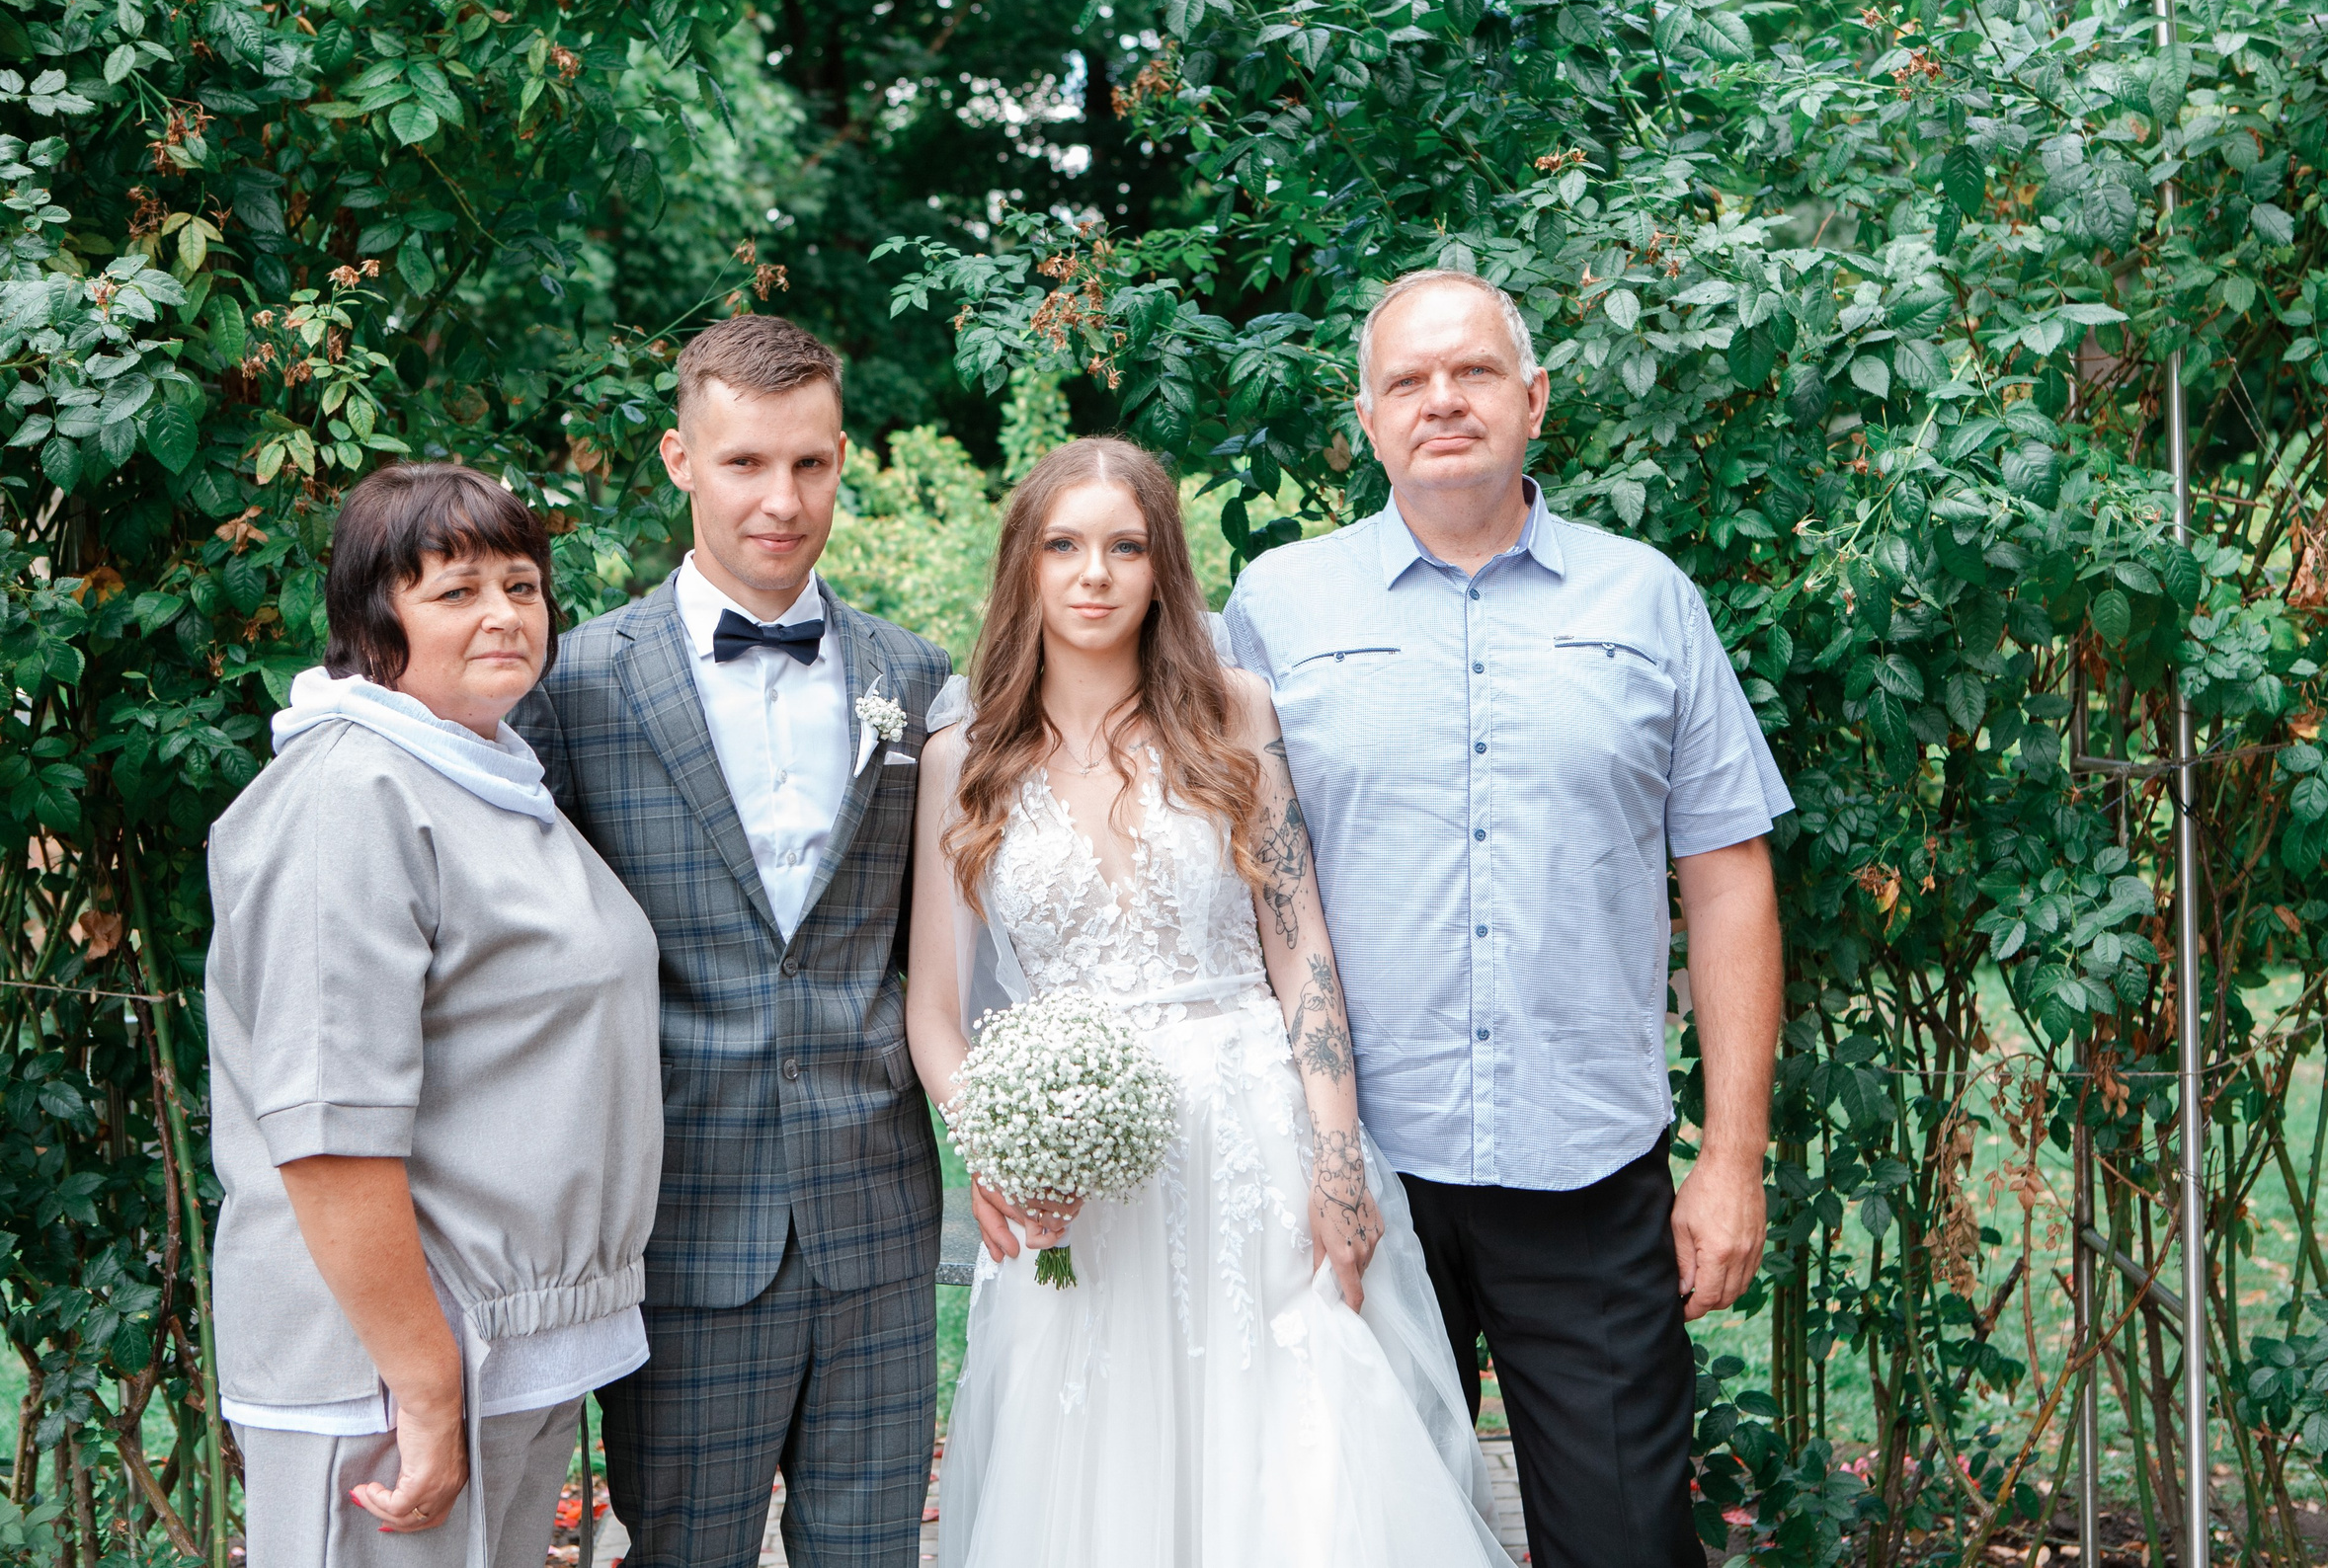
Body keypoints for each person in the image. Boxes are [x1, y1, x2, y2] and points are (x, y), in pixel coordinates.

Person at [1223, 268, 1792, 1568]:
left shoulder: (1646, 600)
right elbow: (1222, 870)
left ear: (1532, 399)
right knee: (1362, 1537)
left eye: (1473, 372)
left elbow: (1726, 873)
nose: (1443, 401)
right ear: (1367, 421)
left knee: (1627, 1540)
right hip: (1352, 1167)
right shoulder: (1278, 605)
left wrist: (1733, 1153)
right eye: (1409, 381)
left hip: (1583, 1163)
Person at [906, 436, 1511, 1568]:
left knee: (1302, 1469)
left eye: (1125, 547)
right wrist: (994, 1146)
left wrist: (1336, 1160)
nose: (1094, 574)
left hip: (1255, 1151)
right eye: (1064, 546)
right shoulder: (967, 755)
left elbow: (1302, 955)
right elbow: (934, 1012)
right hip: (1075, 1186)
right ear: (1024, 567)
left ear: (1161, 566)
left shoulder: (1234, 715)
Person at [510, 314, 953, 1567]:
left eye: (809, 463)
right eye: (747, 462)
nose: (782, 499)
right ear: (678, 460)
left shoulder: (914, 681)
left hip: (875, 1213)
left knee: (870, 1552)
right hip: (686, 1219)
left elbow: (941, 942)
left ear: (842, 458)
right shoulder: (578, 684)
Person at [205, 463, 664, 1568]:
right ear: (375, 620)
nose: (504, 613)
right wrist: (424, 1384)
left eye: (521, 584)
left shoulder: (487, 778)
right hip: (387, 1374)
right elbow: (329, 1137)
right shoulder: (348, 800)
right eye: (455, 591)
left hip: (506, 1346)